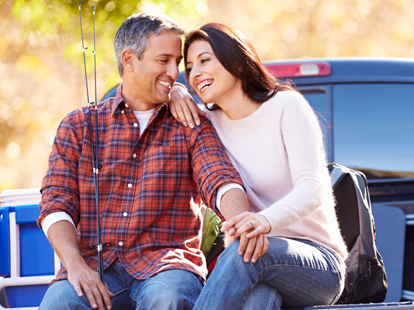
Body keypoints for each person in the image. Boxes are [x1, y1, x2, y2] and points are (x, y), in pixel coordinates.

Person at [37, 14, 260, 310]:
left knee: (167, 298)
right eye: (163, 60)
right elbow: (56, 203)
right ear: (129, 60)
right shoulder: (78, 125)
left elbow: (219, 179)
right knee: (59, 304)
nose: (174, 72)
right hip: (94, 266)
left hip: (168, 266)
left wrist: (241, 222)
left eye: (177, 63)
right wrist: (75, 265)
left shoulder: (190, 122)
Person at [169, 23, 348, 309]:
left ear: (236, 62)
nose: (195, 73)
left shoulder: (286, 107)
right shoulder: (207, 124)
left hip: (316, 264)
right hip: (252, 260)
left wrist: (263, 221)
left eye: (205, 60)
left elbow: (313, 189)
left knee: (243, 252)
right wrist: (175, 91)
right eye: (189, 68)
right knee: (257, 301)